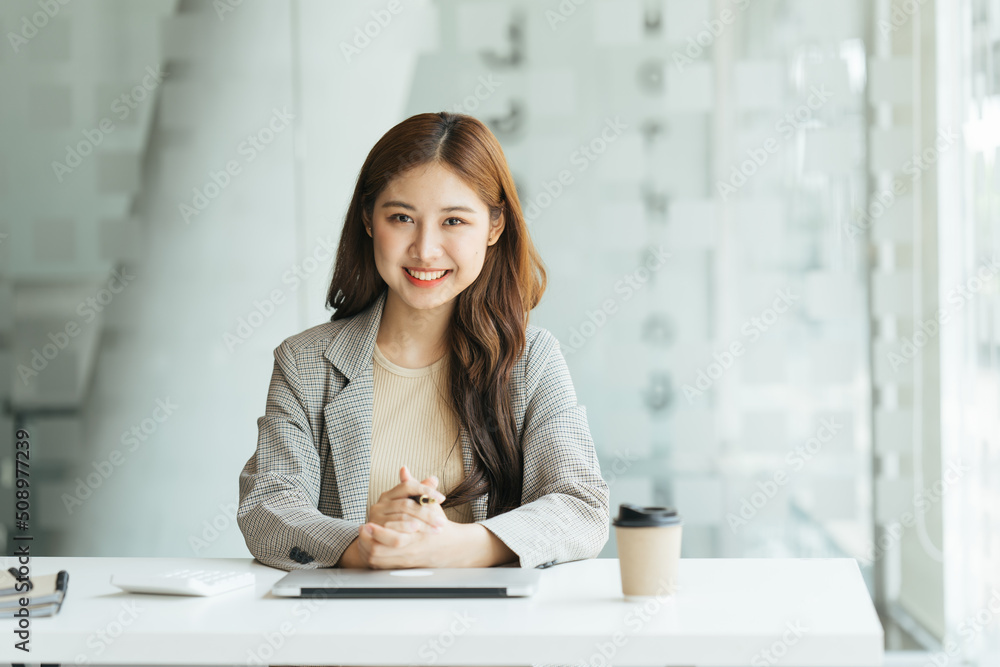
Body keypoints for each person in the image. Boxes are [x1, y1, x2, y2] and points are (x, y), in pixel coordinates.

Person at [237, 111, 609, 583]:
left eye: (454, 220)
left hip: (487, 642)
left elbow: (581, 506)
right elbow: (268, 507)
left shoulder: (531, 359)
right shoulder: (305, 361)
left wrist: (458, 546)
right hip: (341, 641)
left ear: (494, 227)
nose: (426, 249)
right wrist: (364, 543)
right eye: (401, 218)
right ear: (369, 221)